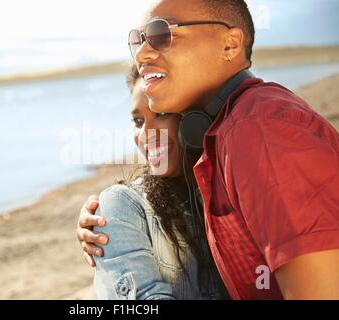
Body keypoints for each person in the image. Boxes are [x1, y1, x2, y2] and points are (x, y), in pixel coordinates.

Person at [77, 0, 339, 299]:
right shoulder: (227, 140)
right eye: (137, 40)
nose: (142, 52)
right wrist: (117, 218)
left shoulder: (258, 128)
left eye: (163, 34)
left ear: (230, 45)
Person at [92, 64, 228, 299]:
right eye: (137, 121)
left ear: (196, 119)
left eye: (162, 114)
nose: (145, 134)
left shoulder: (232, 187)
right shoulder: (123, 204)